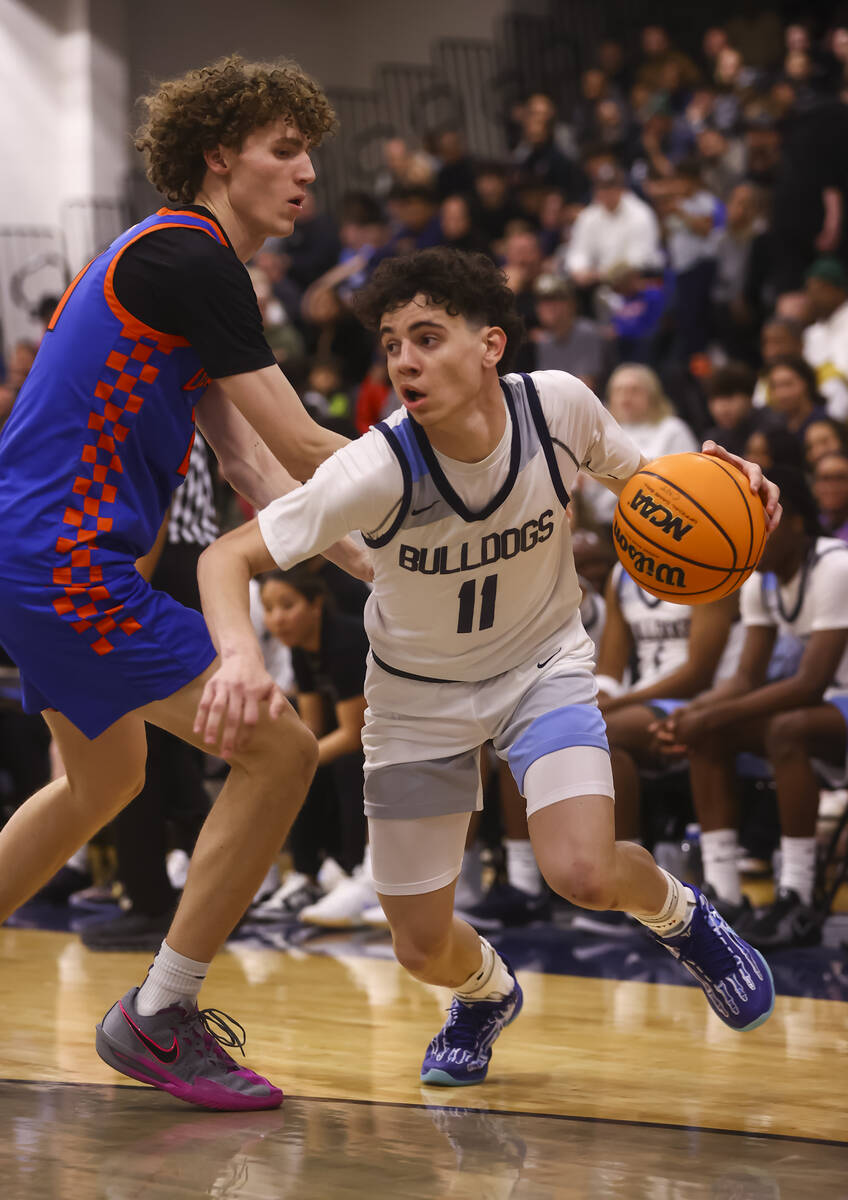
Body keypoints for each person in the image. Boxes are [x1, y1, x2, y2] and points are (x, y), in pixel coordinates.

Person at [194, 247, 780, 1087]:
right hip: (417, 702)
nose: (404, 360)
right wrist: (241, 657)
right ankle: (484, 992)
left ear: (491, 345)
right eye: (393, 342)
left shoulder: (561, 409)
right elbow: (226, 557)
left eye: (427, 337)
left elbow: (660, 495)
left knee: (580, 869)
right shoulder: (378, 465)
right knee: (420, 944)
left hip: (542, 669)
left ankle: (683, 917)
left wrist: (741, 493)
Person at [0, 54, 371, 1112]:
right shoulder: (187, 257)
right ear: (220, 157)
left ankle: (158, 1012)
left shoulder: (187, 271)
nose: (305, 173)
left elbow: (258, 469)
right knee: (282, 745)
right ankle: (161, 1015)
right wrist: (438, 511)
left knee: (100, 783)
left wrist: (375, 569)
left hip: (41, 555)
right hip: (63, 559)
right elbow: (303, 438)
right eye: (282, 150)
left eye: (308, 152)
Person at [657, 468, 848, 949]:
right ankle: (723, 894)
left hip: (826, 700)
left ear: (798, 523)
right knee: (707, 734)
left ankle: (797, 894)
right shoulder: (761, 579)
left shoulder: (834, 567)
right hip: (830, 706)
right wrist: (692, 715)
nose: (753, 536)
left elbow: (809, 683)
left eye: (763, 524)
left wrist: (711, 713)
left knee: (785, 728)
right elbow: (745, 678)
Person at [252, 564, 372, 926]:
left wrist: (297, 761)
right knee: (300, 763)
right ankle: (305, 874)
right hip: (359, 737)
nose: (277, 619)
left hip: (397, 735)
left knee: (345, 764)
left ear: (316, 604)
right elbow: (312, 726)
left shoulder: (346, 641)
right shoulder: (301, 648)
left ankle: (355, 872)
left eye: (287, 606)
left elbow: (354, 733)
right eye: (269, 609)